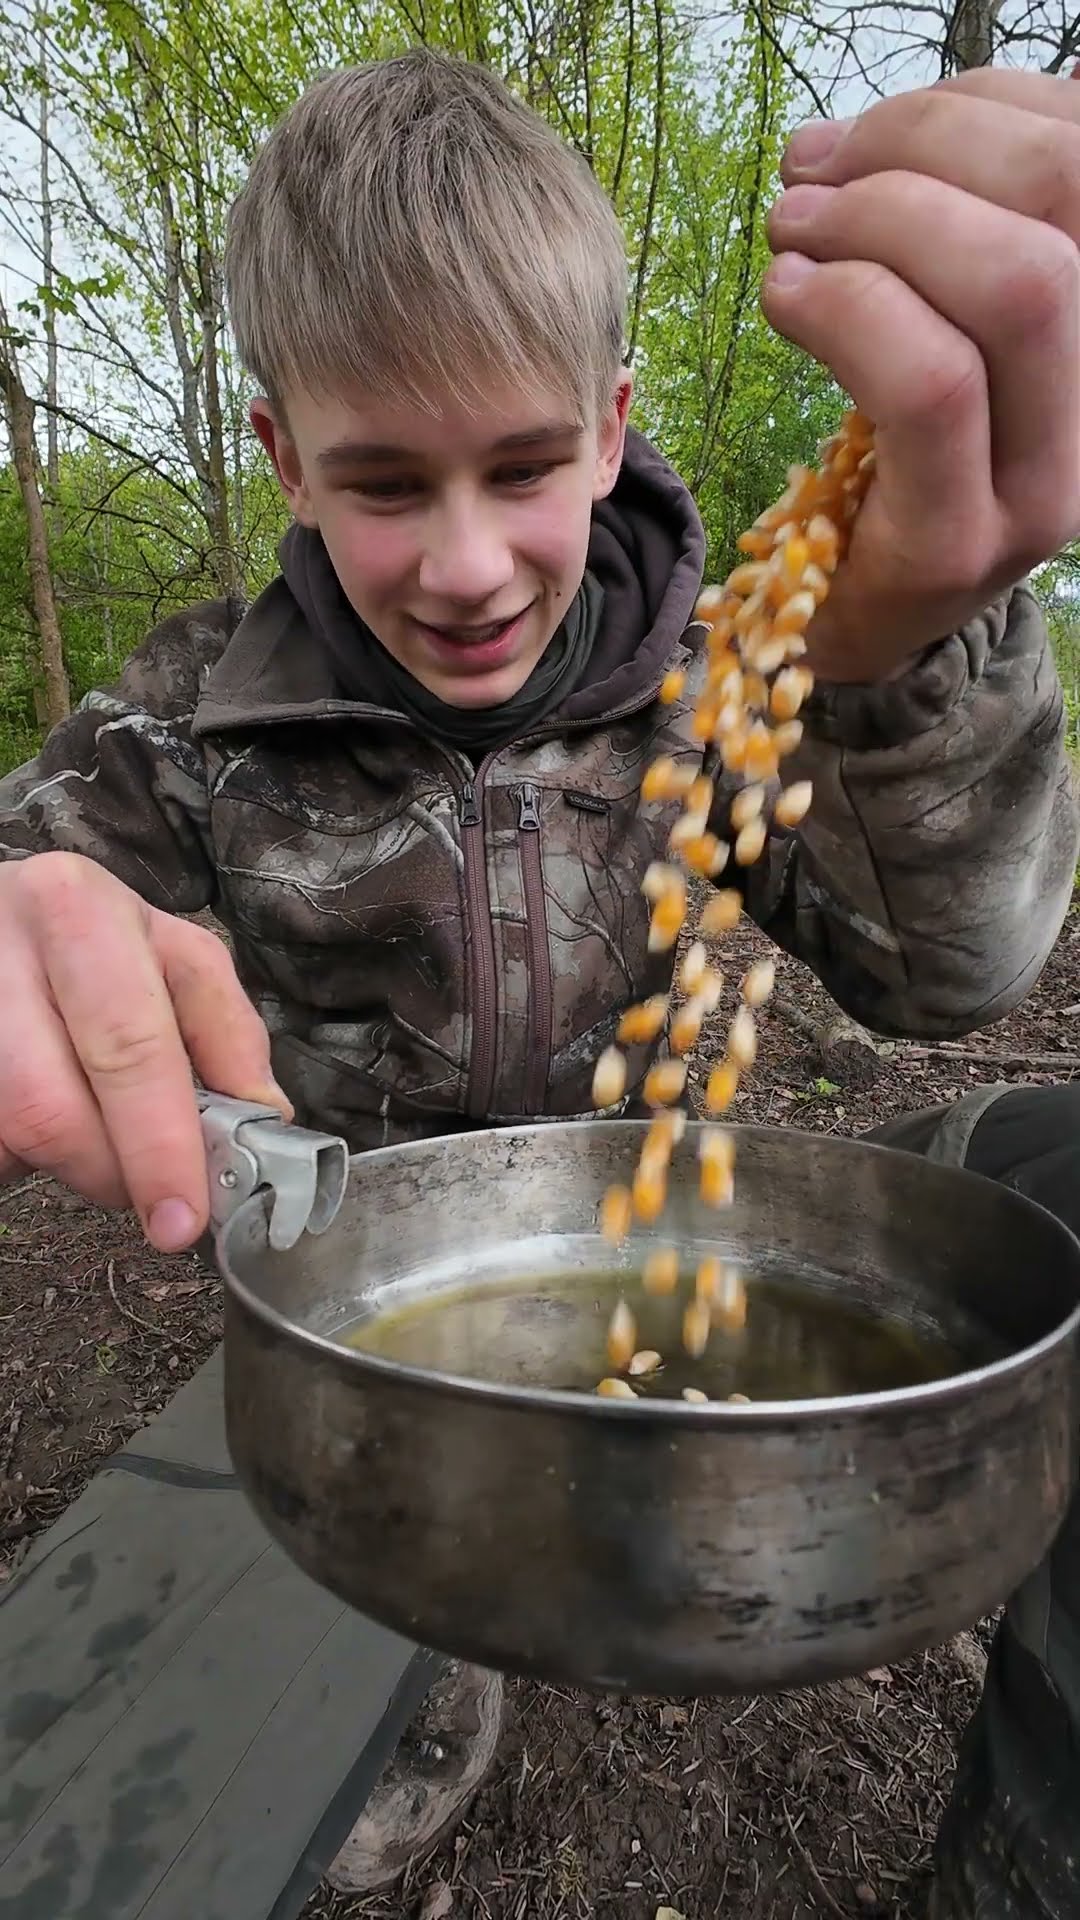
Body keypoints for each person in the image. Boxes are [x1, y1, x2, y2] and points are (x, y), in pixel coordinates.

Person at [0, 48, 1077, 1917]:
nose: (470, 563)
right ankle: (415, 1678)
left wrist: (910, 653)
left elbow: (953, 977)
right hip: (356, 1314)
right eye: (386, 484)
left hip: (672, 1241)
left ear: (609, 422)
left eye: (520, 465)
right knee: (337, 1662)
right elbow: (36, 901)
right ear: (280, 455)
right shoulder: (185, 726)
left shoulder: (737, 676)